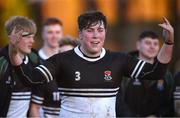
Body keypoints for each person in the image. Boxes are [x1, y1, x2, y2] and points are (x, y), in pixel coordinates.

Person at [9, 11, 174, 117]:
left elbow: (156, 72)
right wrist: (13, 50)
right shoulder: (61, 60)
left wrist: (168, 43)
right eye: (90, 30)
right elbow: (29, 78)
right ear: (80, 34)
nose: (96, 36)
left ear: (105, 33)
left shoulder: (119, 60)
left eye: (100, 30)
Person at [116, 31, 174, 117]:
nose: (152, 47)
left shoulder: (166, 74)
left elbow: (170, 104)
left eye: (155, 44)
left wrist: (159, 116)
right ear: (138, 45)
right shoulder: (124, 69)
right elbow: (118, 102)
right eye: (148, 43)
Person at [0, 16, 45, 117]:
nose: (32, 41)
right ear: (12, 37)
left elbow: (35, 105)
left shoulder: (35, 60)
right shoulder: (2, 63)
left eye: (33, 37)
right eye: (28, 36)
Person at [29, 18, 63, 117]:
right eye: (50, 32)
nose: (54, 36)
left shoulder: (67, 61)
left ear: (62, 34)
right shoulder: (33, 61)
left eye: (57, 32)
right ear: (43, 34)